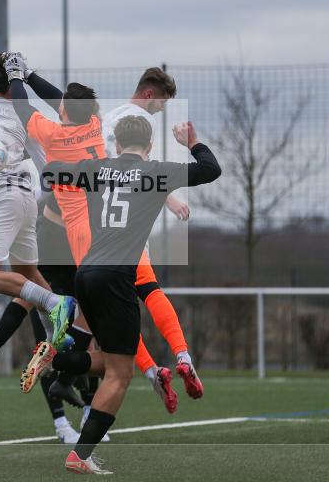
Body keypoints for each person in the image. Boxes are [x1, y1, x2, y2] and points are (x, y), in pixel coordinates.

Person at [42, 115, 220, 473]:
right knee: (120, 375)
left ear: (118, 145)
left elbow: (52, 172)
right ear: (150, 146)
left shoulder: (98, 168)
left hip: (86, 273)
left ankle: (56, 361)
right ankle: (81, 455)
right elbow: (210, 169)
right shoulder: (157, 172)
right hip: (117, 277)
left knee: (111, 361)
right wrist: (193, 142)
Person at [5, 54, 178, 412]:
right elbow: (61, 101)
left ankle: (63, 370)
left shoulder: (52, 134)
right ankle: (59, 357)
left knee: (97, 314)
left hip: (80, 230)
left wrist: (16, 76)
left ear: (65, 113)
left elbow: (25, 108)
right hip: (102, 231)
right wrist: (30, 72)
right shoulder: (95, 124)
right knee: (114, 311)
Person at [98, 67, 205, 400]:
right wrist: (169, 196)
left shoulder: (110, 118)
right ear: (148, 94)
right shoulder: (137, 121)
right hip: (129, 225)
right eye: (161, 103)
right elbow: (142, 171)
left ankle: (149, 371)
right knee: (148, 290)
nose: (161, 109)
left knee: (111, 314)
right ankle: (183, 356)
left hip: (99, 225)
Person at [0, 54, 75, 344]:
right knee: (28, 273)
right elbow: (48, 173)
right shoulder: (23, 116)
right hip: (26, 199)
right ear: (13, 87)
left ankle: (56, 305)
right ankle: (56, 337)